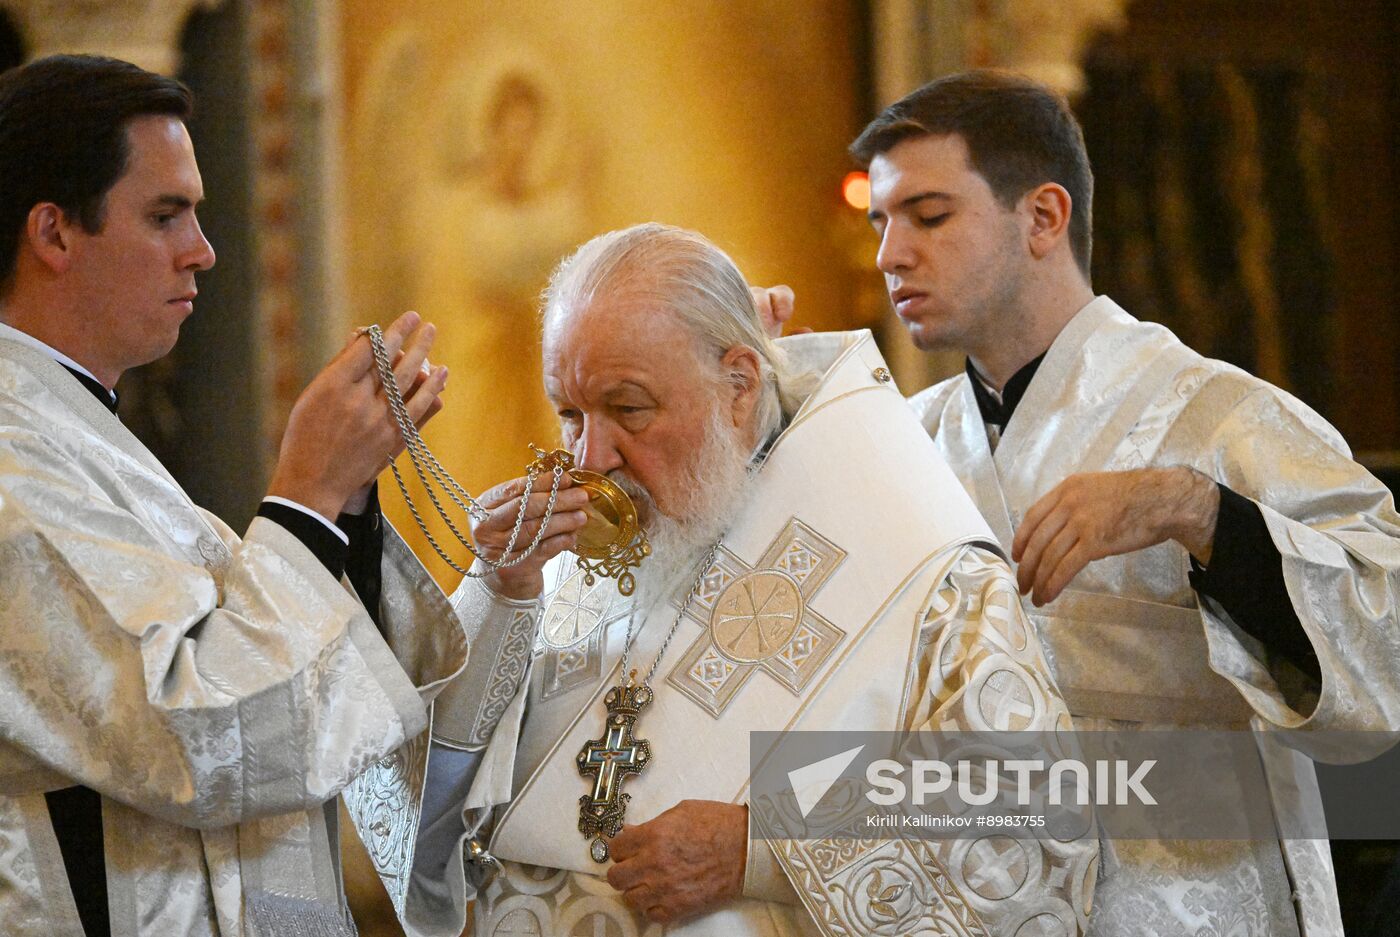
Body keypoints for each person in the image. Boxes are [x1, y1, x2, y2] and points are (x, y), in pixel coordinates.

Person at [763, 69, 1400, 935]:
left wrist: (1201, 513)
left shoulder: (1220, 417)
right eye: (881, 222)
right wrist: (755, 431)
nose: (889, 254)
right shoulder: (897, 447)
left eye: (930, 215)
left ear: (1043, 216)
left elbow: (1387, 631)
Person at [349, 223, 1098, 937]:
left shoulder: (920, 563)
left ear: (738, 384)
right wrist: (501, 593)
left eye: (628, 409)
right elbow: (413, 827)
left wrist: (759, 845)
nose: (592, 456)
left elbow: (1038, 838)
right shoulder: (556, 562)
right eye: (569, 413)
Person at [0, 54, 517, 937]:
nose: (203, 250)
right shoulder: (15, 464)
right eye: (166, 215)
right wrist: (307, 495)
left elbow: (298, 702)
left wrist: (342, 504)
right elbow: (196, 741)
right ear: (54, 234)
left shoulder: (81, 439)